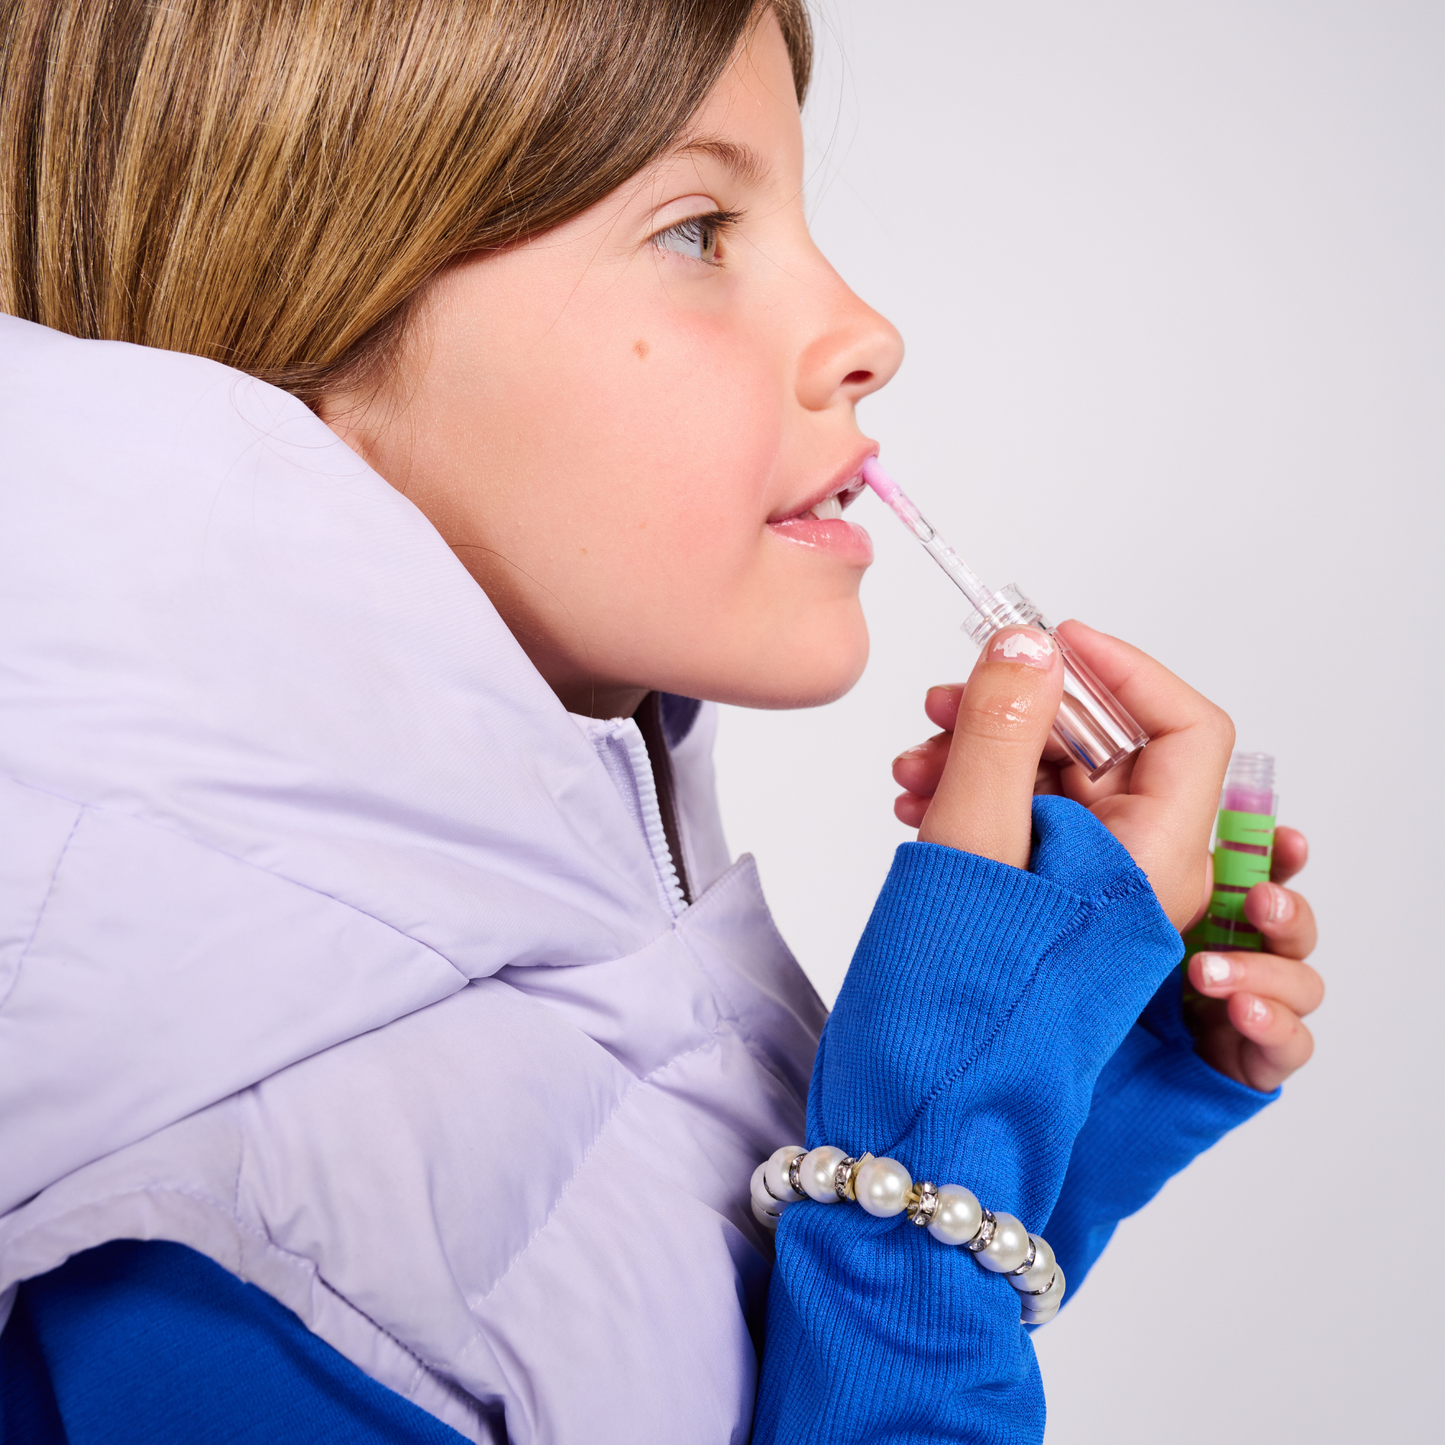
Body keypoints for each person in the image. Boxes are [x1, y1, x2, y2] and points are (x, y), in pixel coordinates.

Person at [0, 2, 1323, 1441]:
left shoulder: (580, 979)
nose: (867, 332)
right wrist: (926, 1172)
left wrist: (1042, 1080)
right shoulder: (193, 1292)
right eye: (698, 228)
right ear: (304, 310)